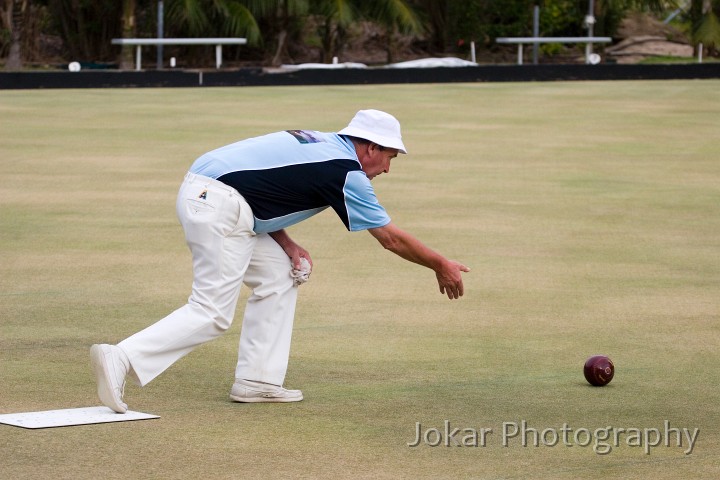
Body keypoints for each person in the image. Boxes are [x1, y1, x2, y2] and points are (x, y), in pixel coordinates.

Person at [90, 109, 470, 413]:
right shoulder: (348, 172)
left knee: (279, 273)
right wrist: (440, 263)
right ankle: (123, 356)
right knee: (211, 312)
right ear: (370, 147)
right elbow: (390, 239)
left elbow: (262, 189)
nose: (387, 168)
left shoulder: (320, 141)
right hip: (220, 204)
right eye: (389, 157)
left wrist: (286, 243)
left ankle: (258, 382)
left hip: (210, 193)